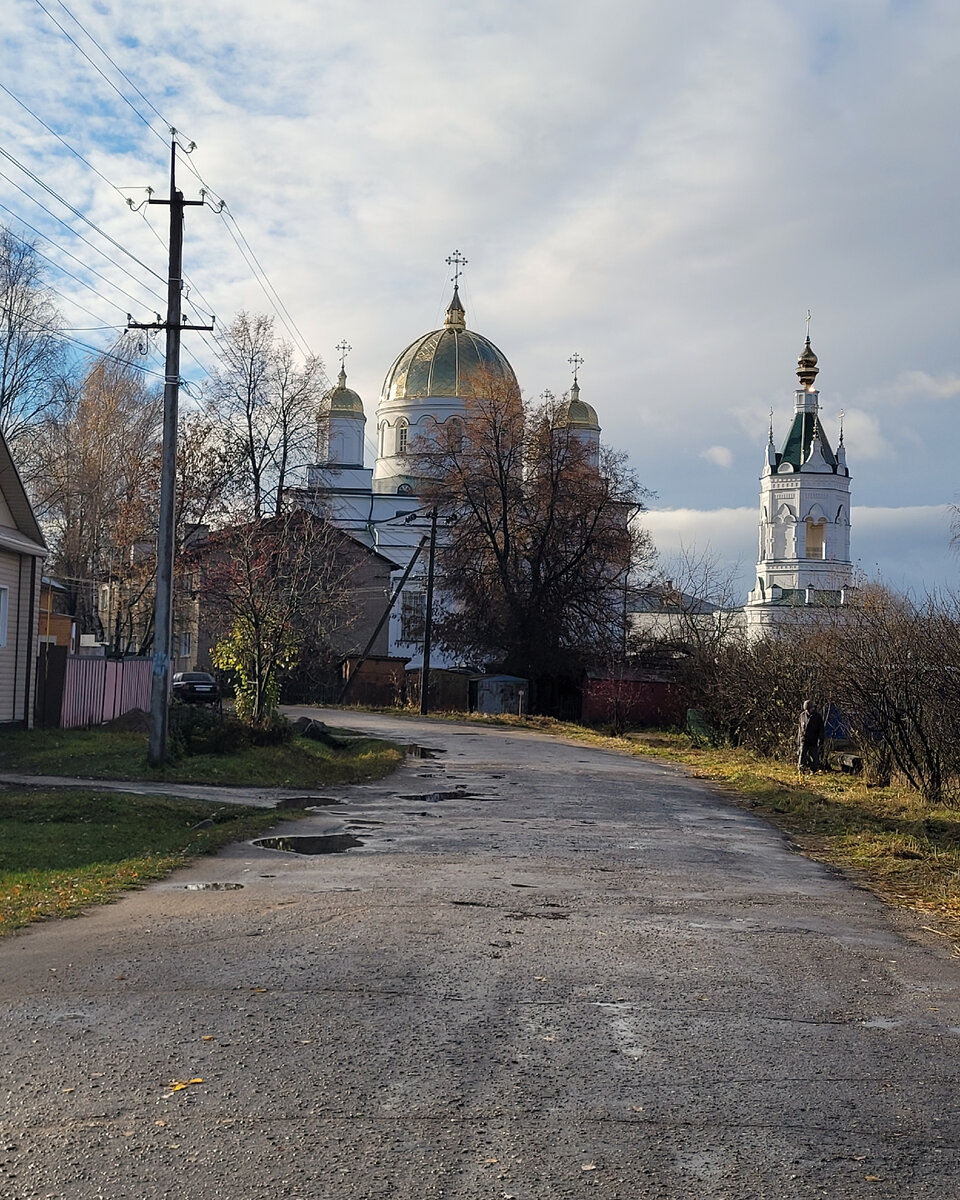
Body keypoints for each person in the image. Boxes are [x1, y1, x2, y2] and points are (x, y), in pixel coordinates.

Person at [798, 700, 825, 773]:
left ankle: (814, 770)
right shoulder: (802, 716)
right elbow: (800, 728)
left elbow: (821, 729)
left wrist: (821, 740)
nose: (812, 709)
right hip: (804, 739)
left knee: (814, 756)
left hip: (813, 740)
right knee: (802, 754)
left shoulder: (818, 717)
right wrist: (799, 740)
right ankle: (801, 769)